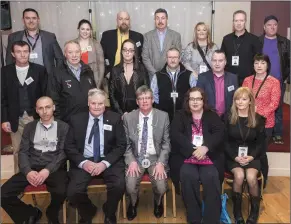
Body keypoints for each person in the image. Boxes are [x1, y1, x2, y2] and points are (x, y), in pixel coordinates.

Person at [1, 96, 69, 224]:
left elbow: (63, 153)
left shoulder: (63, 127)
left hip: (53, 167)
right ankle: (30, 213)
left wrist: (47, 170)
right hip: (31, 167)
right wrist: (27, 171)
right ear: (36, 111)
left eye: (48, 107)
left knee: (62, 191)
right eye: (41, 108)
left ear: (53, 108)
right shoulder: (29, 127)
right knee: (2, 194)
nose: (45, 111)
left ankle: (52, 213)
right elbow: (23, 152)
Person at [65, 88, 126, 224]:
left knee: (119, 185)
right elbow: (69, 146)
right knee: (73, 192)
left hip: (108, 159)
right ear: (88, 103)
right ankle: (88, 211)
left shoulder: (115, 119)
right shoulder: (76, 120)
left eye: (100, 103)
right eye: (94, 103)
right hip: (84, 160)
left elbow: (121, 145)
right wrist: (84, 163)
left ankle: (109, 212)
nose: (97, 107)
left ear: (105, 104)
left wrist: (104, 164)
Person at [170, 87, 225, 224]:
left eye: (198, 99)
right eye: (191, 99)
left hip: (208, 156)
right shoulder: (180, 115)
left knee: (211, 176)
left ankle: (211, 220)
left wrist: (205, 147)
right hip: (186, 157)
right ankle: (194, 218)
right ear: (187, 101)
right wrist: (193, 150)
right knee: (189, 176)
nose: (195, 102)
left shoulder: (212, 115)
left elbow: (220, 133)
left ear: (203, 100)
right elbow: (175, 135)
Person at [123, 85, 170, 220]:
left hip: (155, 158)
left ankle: (158, 201)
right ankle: (133, 203)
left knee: (161, 187)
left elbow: (166, 144)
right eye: (141, 99)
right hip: (136, 158)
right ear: (137, 102)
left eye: (147, 98)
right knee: (130, 186)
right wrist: (131, 161)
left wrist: (161, 162)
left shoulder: (163, 116)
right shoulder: (129, 118)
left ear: (153, 99)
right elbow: (125, 144)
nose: (144, 101)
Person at [1, 40, 48, 174]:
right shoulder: (4, 72)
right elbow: (2, 98)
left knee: (39, 150)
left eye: (25, 51)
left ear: (29, 53)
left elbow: (45, 94)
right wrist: (4, 119)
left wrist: (44, 116)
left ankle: (39, 178)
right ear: (13, 54)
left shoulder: (40, 70)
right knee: (18, 150)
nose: (22, 55)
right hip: (14, 118)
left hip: (35, 117)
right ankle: (19, 180)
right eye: (18, 52)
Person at [225, 87, 266, 224]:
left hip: (252, 155)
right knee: (239, 175)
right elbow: (224, 142)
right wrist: (234, 157)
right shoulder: (228, 117)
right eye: (237, 99)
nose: (240, 102)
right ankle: (237, 212)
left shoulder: (258, 119)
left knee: (251, 177)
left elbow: (261, 144)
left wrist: (251, 157)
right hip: (233, 156)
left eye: (244, 99)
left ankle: (254, 212)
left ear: (250, 101)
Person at [242, 54, 280, 187]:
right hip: (248, 122)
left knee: (261, 152)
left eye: (262, 63)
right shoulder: (247, 80)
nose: (259, 66)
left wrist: (257, 113)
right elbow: (242, 98)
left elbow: (274, 103)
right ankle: (249, 180)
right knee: (249, 150)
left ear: (267, 65)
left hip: (266, 123)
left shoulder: (274, 82)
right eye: (256, 63)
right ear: (253, 65)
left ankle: (262, 182)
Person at [259, 15, 290, 144]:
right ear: (264, 27)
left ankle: (277, 133)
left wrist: (287, 78)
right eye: (269, 25)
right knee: (261, 106)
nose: (272, 27)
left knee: (277, 107)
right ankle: (261, 132)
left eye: (275, 25)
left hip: (278, 81)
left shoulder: (285, 42)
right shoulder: (258, 41)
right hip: (261, 81)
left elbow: (289, 61)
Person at [48, 40, 96, 123]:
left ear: (81, 53)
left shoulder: (88, 70)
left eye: (77, 52)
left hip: (88, 119)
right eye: (70, 52)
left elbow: (94, 94)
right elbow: (53, 100)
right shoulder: (57, 73)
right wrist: (59, 122)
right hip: (68, 121)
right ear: (65, 54)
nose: (74, 55)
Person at [5, 8, 63, 75]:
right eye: (27, 18)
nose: (31, 21)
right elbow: (9, 60)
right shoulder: (13, 37)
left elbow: (59, 58)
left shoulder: (50, 37)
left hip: (46, 77)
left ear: (38, 20)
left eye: (34, 18)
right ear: (23, 20)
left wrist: (56, 74)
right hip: (22, 77)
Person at [151, 47, 196, 121]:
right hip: (163, 118)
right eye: (170, 57)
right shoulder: (157, 76)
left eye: (175, 57)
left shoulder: (189, 75)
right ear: (166, 58)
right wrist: (160, 108)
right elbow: (154, 96)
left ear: (179, 58)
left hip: (185, 116)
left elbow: (194, 94)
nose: (172, 60)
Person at [109, 39, 150, 116]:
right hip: (119, 114)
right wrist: (121, 113)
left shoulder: (142, 69)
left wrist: (138, 111)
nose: (127, 52)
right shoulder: (115, 70)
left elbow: (146, 92)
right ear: (121, 52)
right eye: (125, 50)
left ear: (134, 52)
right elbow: (112, 95)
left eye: (131, 50)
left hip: (139, 113)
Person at [221, 10, 262, 86]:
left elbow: (259, 61)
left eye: (241, 20)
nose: (239, 23)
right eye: (236, 21)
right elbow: (222, 59)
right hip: (229, 80)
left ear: (245, 22)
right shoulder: (226, 39)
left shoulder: (254, 39)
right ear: (233, 22)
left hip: (248, 80)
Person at [196, 50, 238, 120]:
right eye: (214, 60)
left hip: (228, 118)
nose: (217, 63)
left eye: (220, 60)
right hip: (208, 118)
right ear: (211, 62)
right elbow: (198, 99)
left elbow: (236, 98)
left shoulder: (233, 78)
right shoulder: (202, 78)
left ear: (225, 62)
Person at [101, 11, 144, 76]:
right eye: (120, 19)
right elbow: (101, 56)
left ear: (129, 21)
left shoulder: (138, 37)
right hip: (112, 75)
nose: (124, 22)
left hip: (133, 75)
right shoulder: (107, 36)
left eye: (126, 19)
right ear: (117, 21)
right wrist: (107, 72)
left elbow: (141, 57)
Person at [142, 8, 182, 78]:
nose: (160, 21)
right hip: (153, 75)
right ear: (154, 20)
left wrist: (168, 73)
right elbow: (145, 57)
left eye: (163, 18)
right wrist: (155, 73)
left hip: (171, 75)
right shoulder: (147, 36)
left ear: (167, 19)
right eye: (157, 18)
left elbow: (178, 56)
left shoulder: (176, 36)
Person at [74, 19, 105, 89]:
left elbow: (101, 65)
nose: (85, 32)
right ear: (78, 30)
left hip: (94, 79)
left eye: (88, 29)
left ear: (91, 31)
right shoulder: (73, 43)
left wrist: (98, 84)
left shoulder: (96, 44)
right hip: (76, 79)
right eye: (83, 29)